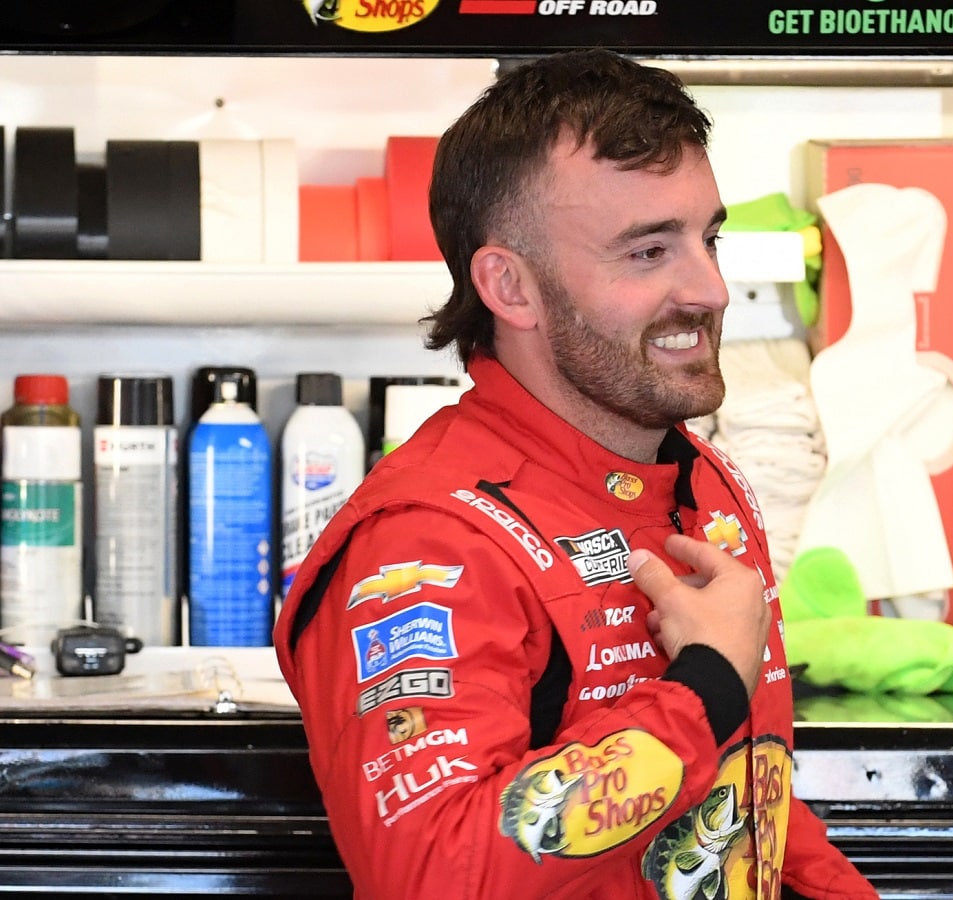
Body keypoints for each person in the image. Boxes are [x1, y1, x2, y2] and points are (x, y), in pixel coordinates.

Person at [272, 48, 879, 900]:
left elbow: (746, 799)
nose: (710, 289)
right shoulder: (428, 538)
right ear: (509, 286)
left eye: (707, 239)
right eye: (647, 253)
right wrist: (703, 689)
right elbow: (431, 873)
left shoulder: (701, 477)